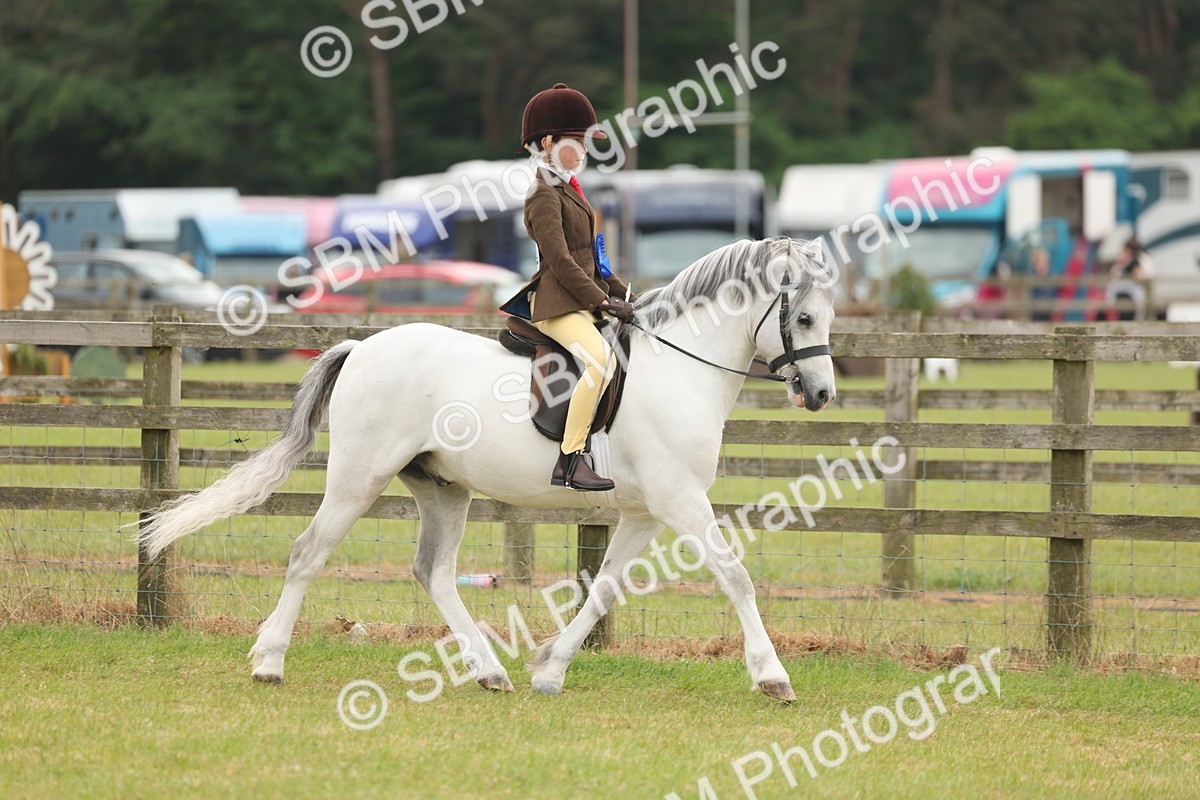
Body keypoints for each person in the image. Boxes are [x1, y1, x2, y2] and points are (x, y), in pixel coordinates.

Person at [500, 83, 635, 492]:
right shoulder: (543, 195)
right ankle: (571, 460)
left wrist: (622, 292)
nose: (586, 150)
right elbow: (560, 261)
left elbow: (589, 257)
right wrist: (602, 301)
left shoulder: (570, 189)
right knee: (600, 362)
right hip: (557, 303)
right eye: (577, 141)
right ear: (548, 143)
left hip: (582, 297)